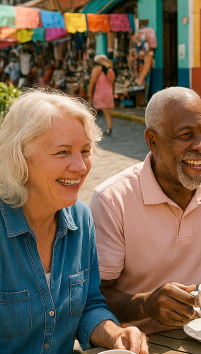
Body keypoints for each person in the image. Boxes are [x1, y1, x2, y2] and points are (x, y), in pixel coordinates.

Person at [89, 86, 201, 334]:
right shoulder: (112, 199)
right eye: (186, 135)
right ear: (153, 141)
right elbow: (95, 296)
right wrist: (145, 304)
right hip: (142, 343)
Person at [0, 88, 148, 353]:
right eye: (62, 152)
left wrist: (114, 333)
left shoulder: (80, 218)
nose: (80, 167)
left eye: (85, 150)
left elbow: (89, 304)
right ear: (19, 157)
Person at [88, 54, 115, 136]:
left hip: (99, 93)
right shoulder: (111, 71)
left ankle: (91, 130)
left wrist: (89, 94)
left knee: (92, 112)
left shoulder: (97, 70)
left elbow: (92, 83)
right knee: (107, 112)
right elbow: (112, 83)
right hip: (108, 94)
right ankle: (109, 128)